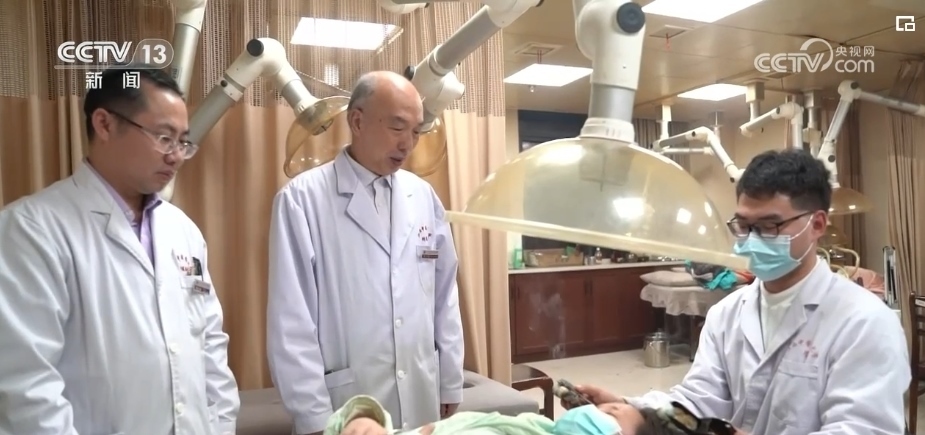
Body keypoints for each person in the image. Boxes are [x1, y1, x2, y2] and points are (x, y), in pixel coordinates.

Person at [563, 149, 909, 434]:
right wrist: (634, 410)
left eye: (770, 226)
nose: (752, 240)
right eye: (743, 225)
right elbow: (699, 400)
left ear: (816, 224)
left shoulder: (863, 322)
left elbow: (863, 429)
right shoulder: (727, 314)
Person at [0, 67, 240, 434]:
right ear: (105, 124)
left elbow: (210, 346)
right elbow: (27, 386)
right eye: (164, 137)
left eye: (183, 142)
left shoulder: (183, 231)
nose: (176, 156)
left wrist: (221, 426)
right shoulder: (32, 229)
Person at [266, 70, 465, 435]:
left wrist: (450, 378)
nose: (408, 144)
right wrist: (313, 418)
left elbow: (444, 294)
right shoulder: (302, 200)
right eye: (397, 127)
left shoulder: (423, 196)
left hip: (421, 390)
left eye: (416, 131)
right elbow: (291, 320)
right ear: (357, 121)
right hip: (345, 405)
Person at [325, 394, 684, 435]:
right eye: (608, 408)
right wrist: (365, 421)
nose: (602, 412)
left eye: (612, 419)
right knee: (360, 418)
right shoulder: (537, 426)